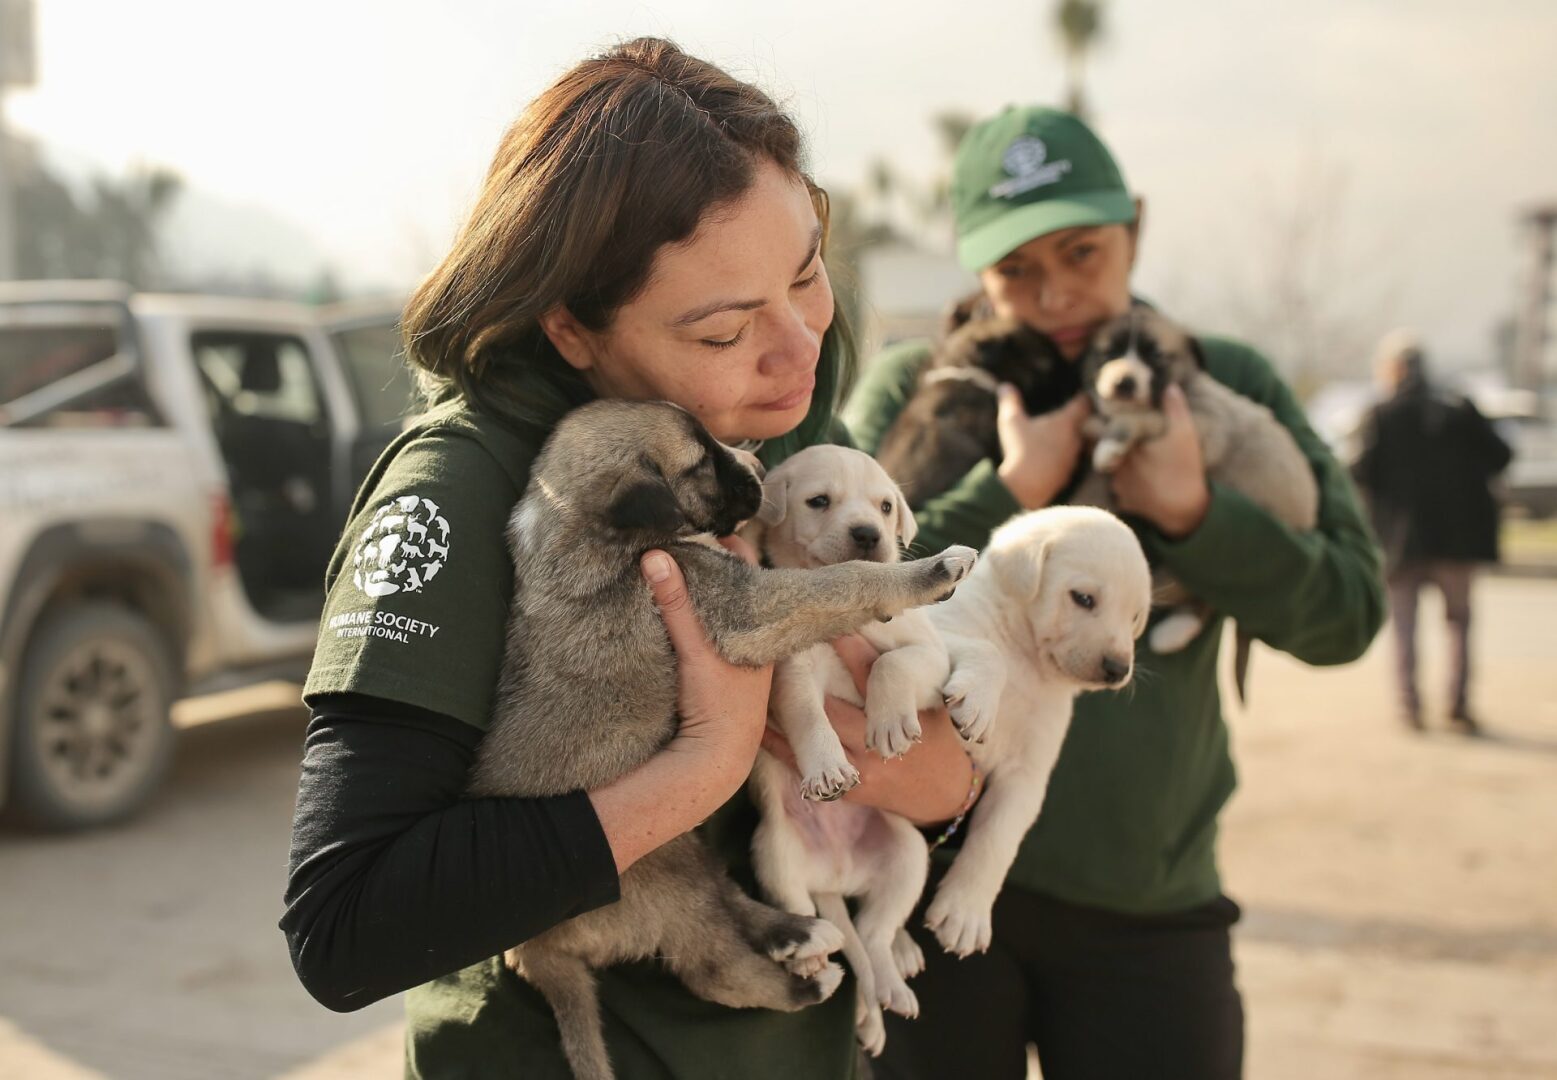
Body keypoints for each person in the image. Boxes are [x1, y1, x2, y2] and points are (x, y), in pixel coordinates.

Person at [279, 38, 979, 1079]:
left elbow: (941, 781)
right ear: (570, 326)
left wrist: (810, 727)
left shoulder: (781, 440)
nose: (798, 349)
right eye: (724, 328)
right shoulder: (467, 489)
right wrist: (699, 766)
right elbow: (345, 926)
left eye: (807, 273)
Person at [845, 106, 1387, 1080]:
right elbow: (841, 597)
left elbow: (1350, 612)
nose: (1052, 293)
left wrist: (1197, 512)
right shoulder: (916, 390)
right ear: (976, 269)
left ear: (1134, 228)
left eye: (1083, 253)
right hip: (924, 875)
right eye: (1015, 270)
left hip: (1148, 902)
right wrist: (1008, 492)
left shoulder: (1219, 385)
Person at [1351, 329, 1512, 734]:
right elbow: (1502, 456)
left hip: (1402, 543)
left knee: (1404, 627)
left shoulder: (1382, 414)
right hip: (1459, 542)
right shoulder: (1460, 409)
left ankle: (1410, 707)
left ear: (1395, 369)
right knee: (1459, 623)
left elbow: (1358, 472)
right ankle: (1457, 706)